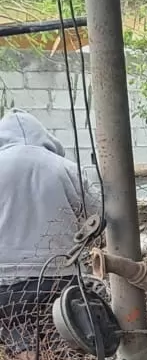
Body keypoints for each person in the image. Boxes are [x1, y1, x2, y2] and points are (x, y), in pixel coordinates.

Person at [0, 111, 97, 345]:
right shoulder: (65, 167)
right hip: (58, 275)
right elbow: (98, 213)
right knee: (66, 339)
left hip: (6, 281)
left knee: (20, 337)